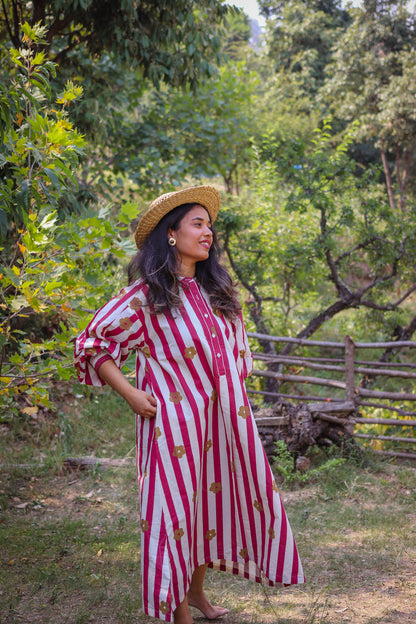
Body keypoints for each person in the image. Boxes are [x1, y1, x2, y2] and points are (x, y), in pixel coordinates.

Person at [74, 185, 304, 623]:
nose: (209, 232)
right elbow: (92, 342)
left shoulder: (217, 289)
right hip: (172, 425)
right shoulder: (146, 296)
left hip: (221, 422)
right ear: (172, 235)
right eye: (198, 223)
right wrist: (130, 392)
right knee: (174, 511)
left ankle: (197, 594)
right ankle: (176, 609)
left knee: (205, 507)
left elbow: (237, 355)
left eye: (210, 225)